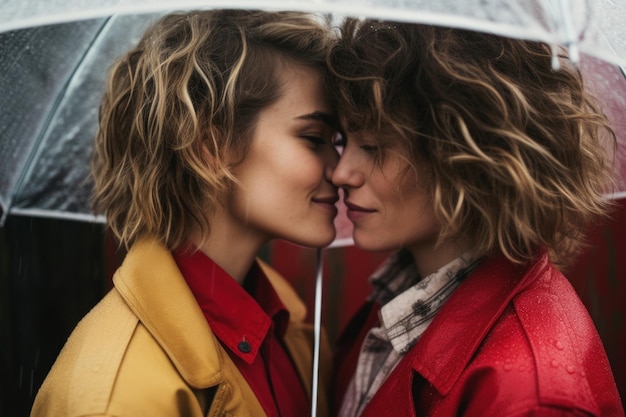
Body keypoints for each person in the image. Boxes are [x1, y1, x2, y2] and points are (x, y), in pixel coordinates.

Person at [30, 9, 340, 417]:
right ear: (208, 148)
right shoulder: (115, 398)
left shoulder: (290, 325)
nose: (340, 169)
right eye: (314, 138)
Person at [327, 19, 624, 417]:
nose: (341, 174)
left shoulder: (531, 399)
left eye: (373, 146)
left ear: (469, 155)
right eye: (345, 142)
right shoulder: (393, 303)